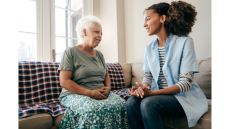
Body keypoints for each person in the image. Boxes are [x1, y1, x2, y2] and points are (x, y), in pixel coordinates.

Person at [126, 1, 208, 129]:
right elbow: (147, 78)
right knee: (131, 102)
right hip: (160, 97)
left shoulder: (185, 42)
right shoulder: (149, 48)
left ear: (162, 18)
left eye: (147, 19)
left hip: (183, 98)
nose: (144, 25)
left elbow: (185, 84)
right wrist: (143, 88)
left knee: (148, 104)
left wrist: (152, 94)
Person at [58, 15, 130, 129]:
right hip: (74, 94)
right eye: (97, 32)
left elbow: (106, 75)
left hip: (99, 93)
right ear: (85, 32)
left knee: (122, 105)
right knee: (93, 110)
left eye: (101, 33)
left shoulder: (100, 55)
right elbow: (64, 81)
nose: (100, 36)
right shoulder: (70, 52)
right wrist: (90, 93)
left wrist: (108, 87)